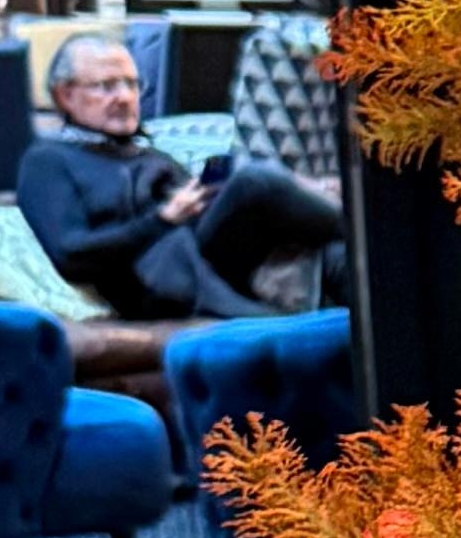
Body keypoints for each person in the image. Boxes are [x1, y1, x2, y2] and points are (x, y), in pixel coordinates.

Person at [18, 26, 351, 321]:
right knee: (253, 180)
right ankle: (364, 226)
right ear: (65, 95)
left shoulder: (139, 148)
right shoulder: (48, 160)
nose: (125, 97)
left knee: (332, 252)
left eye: (132, 84)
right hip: (155, 267)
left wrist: (312, 185)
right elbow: (71, 252)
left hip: (197, 241)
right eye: (106, 86)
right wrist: (162, 219)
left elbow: (200, 186)